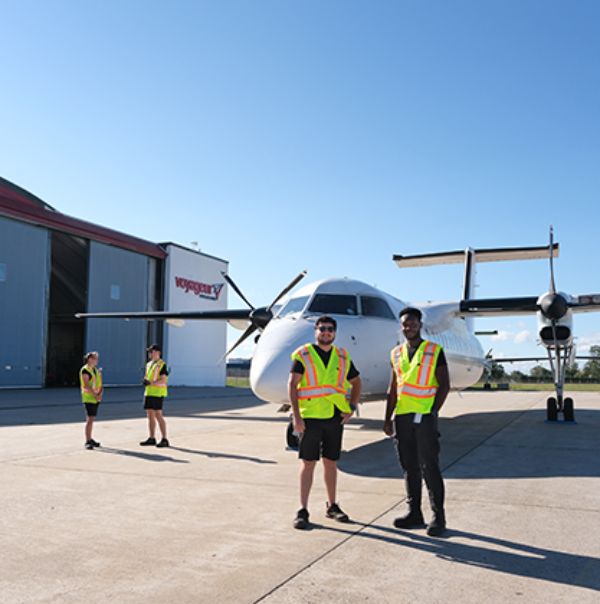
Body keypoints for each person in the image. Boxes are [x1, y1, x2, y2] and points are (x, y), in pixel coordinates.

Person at [288, 315, 362, 530]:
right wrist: (296, 417)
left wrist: (352, 406)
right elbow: (292, 385)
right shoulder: (303, 355)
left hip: (333, 416)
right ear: (315, 331)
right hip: (310, 417)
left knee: (331, 462)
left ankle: (332, 505)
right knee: (308, 463)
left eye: (330, 329)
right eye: (322, 329)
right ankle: (302, 509)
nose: (326, 332)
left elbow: (356, 382)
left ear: (335, 333)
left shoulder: (342, 356)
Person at [383, 307, 450, 537]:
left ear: (420, 325)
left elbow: (444, 384)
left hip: (424, 418)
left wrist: (432, 411)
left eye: (412, 323)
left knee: (429, 466)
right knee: (409, 467)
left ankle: (438, 516)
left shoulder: (434, 351)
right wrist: (387, 418)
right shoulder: (395, 353)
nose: (408, 327)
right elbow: (393, 388)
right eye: (404, 324)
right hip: (402, 417)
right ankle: (415, 513)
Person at [140, 344, 170, 448]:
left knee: (158, 415)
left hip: (158, 393)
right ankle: (151, 438)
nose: (150, 353)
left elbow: (163, 380)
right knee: (150, 416)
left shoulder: (162, 364)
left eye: (151, 351)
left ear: (157, 353)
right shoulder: (149, 364)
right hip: (149, 392)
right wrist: (146, 381)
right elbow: (148, 377)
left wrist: (151, 383)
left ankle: (164, 438)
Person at [79, 351, 103, 450]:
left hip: (95, 397)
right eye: (94, 358)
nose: (96, 360)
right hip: (89, 398)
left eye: (97, 358)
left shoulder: (95, 370)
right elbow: (86, 385)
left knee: (92, 419)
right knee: (90, 419)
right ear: (89, 359)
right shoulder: (85, 370)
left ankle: (90, 438)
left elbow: (99, 383)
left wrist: (100, 394)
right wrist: (95, 395)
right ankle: (88, 440)